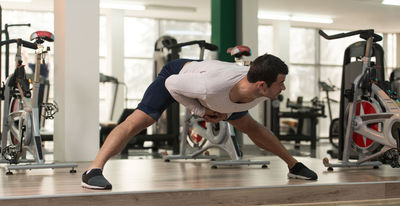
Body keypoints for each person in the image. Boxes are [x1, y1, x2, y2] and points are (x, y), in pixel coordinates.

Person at [82, 54, 318, 190]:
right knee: (139, 121)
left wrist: (224, 115)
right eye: (280, 83)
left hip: (216, 92)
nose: (283, 87)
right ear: (261, 85)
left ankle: (293, 165)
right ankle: (93, 171)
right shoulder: (212, 86)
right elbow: (172, 84)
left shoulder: (256, 92)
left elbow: (234, 106)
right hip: (178, 76)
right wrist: (199, 109)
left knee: (252, 127)